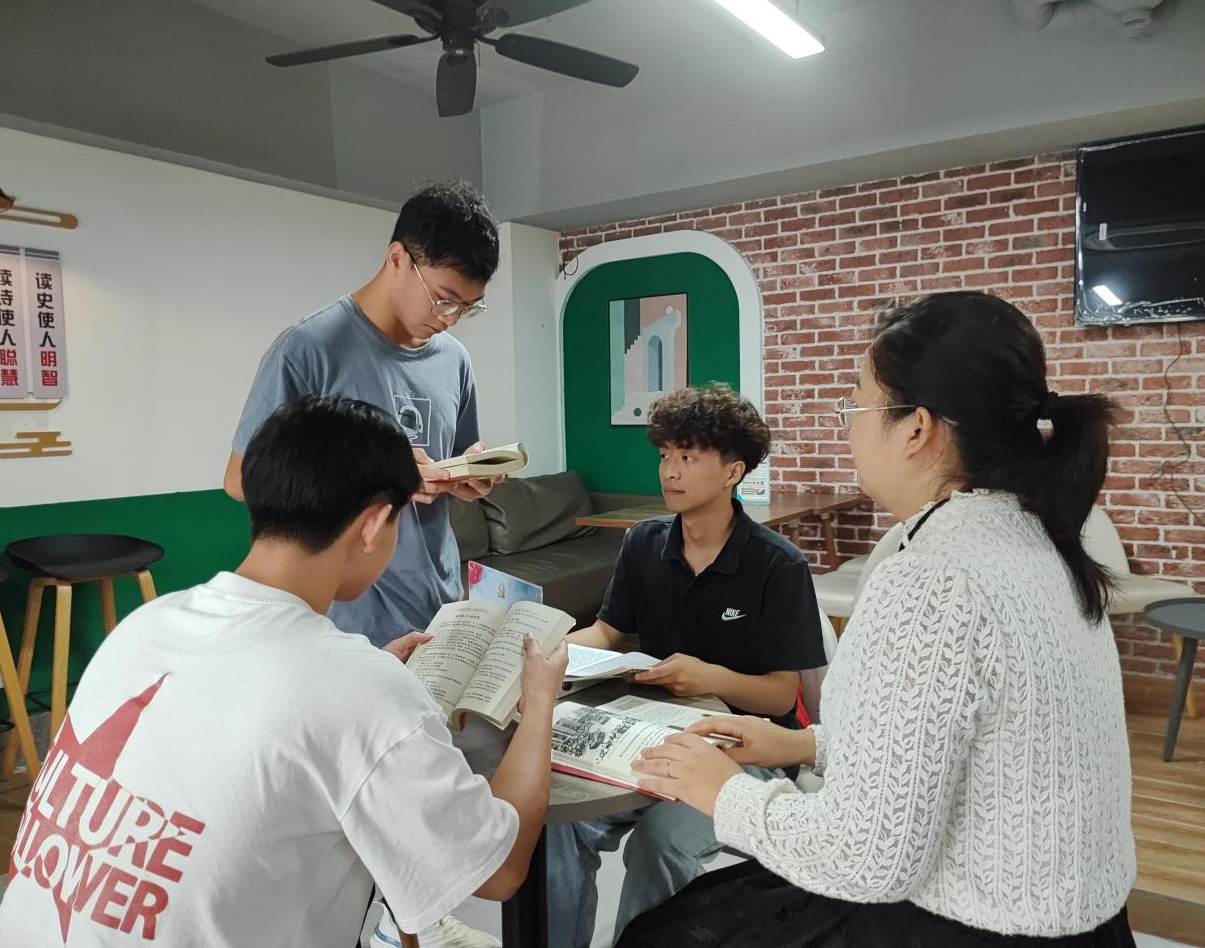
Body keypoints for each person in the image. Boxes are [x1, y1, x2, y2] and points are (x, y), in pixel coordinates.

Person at [623, 292, 1137, 947]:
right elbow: (966, 743)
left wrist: (723, 791)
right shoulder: (1041, 540)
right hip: (1086, 921)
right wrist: (802, 745)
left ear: (918, 428)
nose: (848, 429)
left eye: (856, 407)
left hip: (976, 927)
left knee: (662, 934)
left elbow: (863, 859)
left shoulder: (934, 577)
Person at [0, 396, 568, 948]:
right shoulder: (358, 689)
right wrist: (538, 698)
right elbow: (498, 872)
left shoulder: (144, 624)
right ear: (373, 525)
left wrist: (363, 683)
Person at [223, 182, 505, 946]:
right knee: (340, 817)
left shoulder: (452, 359)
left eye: (467, 308)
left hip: (431, 599)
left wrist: (466, 475)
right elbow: (244, 478)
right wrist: (381, 475)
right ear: (397, 258)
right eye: (443, 298)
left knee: (413, 804)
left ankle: (410, 925)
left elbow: (453, 456)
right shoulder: (310, 348)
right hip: (340, 616)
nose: (449, 319)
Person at [549, 384, 827, 947]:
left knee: (661, 841)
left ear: (733, 472)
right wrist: (552, 652)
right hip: (648, 729)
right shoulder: (643, 542)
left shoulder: (778, 564)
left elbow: (781, 696)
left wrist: (709, 678)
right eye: (664, 455)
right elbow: (607, 631)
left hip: (748, 748)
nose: (669, 471)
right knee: (558, 825)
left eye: (688, 457)